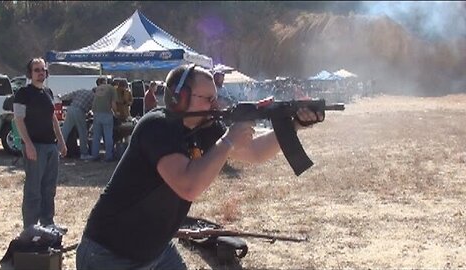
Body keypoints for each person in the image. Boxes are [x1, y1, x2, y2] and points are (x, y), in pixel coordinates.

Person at [75, 64, 323, 270]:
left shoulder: (206, 127)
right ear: (179, 98)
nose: (215, 105)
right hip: (109, 253)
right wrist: (227, 141)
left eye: (215, 97)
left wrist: (294, 125)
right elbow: (188, 186)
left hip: (155, 248)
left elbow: (255, 152)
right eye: (208, 99)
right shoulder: (157, 126)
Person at [13, 57, 68, 232]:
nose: (40, 73)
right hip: (34, 146)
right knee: (33, 189)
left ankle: (48, 223)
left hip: (51, 146)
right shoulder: (23, 93)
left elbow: (53, 118)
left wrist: (61, 140)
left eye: (43, 70)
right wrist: (28, 144)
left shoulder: (48, 93)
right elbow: (19, 120)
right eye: (36, 70)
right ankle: (30, 227)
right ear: (30, 73)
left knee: (49, 187)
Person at [59, 87, 95, 160]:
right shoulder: (94, 96)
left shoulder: (82, 90)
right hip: (80, 111)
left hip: (71, 109)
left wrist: (61, 97)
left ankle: (57, 152)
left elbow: (69, 96)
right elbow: (93, 108)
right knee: (83, 133)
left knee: (64, 132)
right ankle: (84, 153)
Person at [89, 77, 118, 162]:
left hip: (96, 114)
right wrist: (116, 113)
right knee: (108, 136)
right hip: (106, 113)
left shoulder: (97, 89)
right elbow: (113, 103)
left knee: (96, 136)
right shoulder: (111, 89)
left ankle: (95, 155)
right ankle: (108, 156)